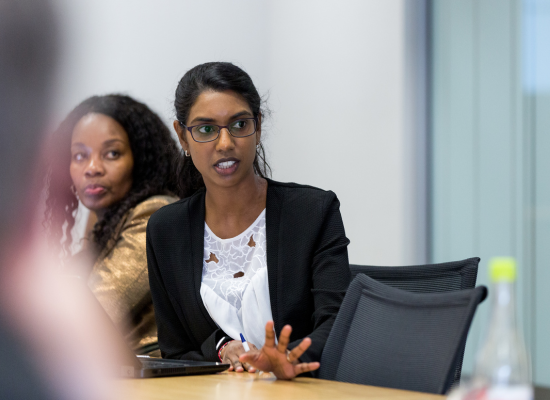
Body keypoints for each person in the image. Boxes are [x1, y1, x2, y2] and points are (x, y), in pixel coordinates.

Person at [146, 62, 351, 379]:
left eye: (240, 125)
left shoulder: (313, 212)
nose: (225, 143)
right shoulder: (165, 230)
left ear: (258, 124)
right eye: (205, 129)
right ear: (182, 138)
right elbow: (175, 349)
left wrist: (290, 358)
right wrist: (222, 348)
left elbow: (336, 322)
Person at [45, 94, 180, 356]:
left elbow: (90, 311)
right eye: (80, 155)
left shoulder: (154, 214)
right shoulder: (107, 218)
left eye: (112, 153)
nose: (92, 168)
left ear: (139, 160)